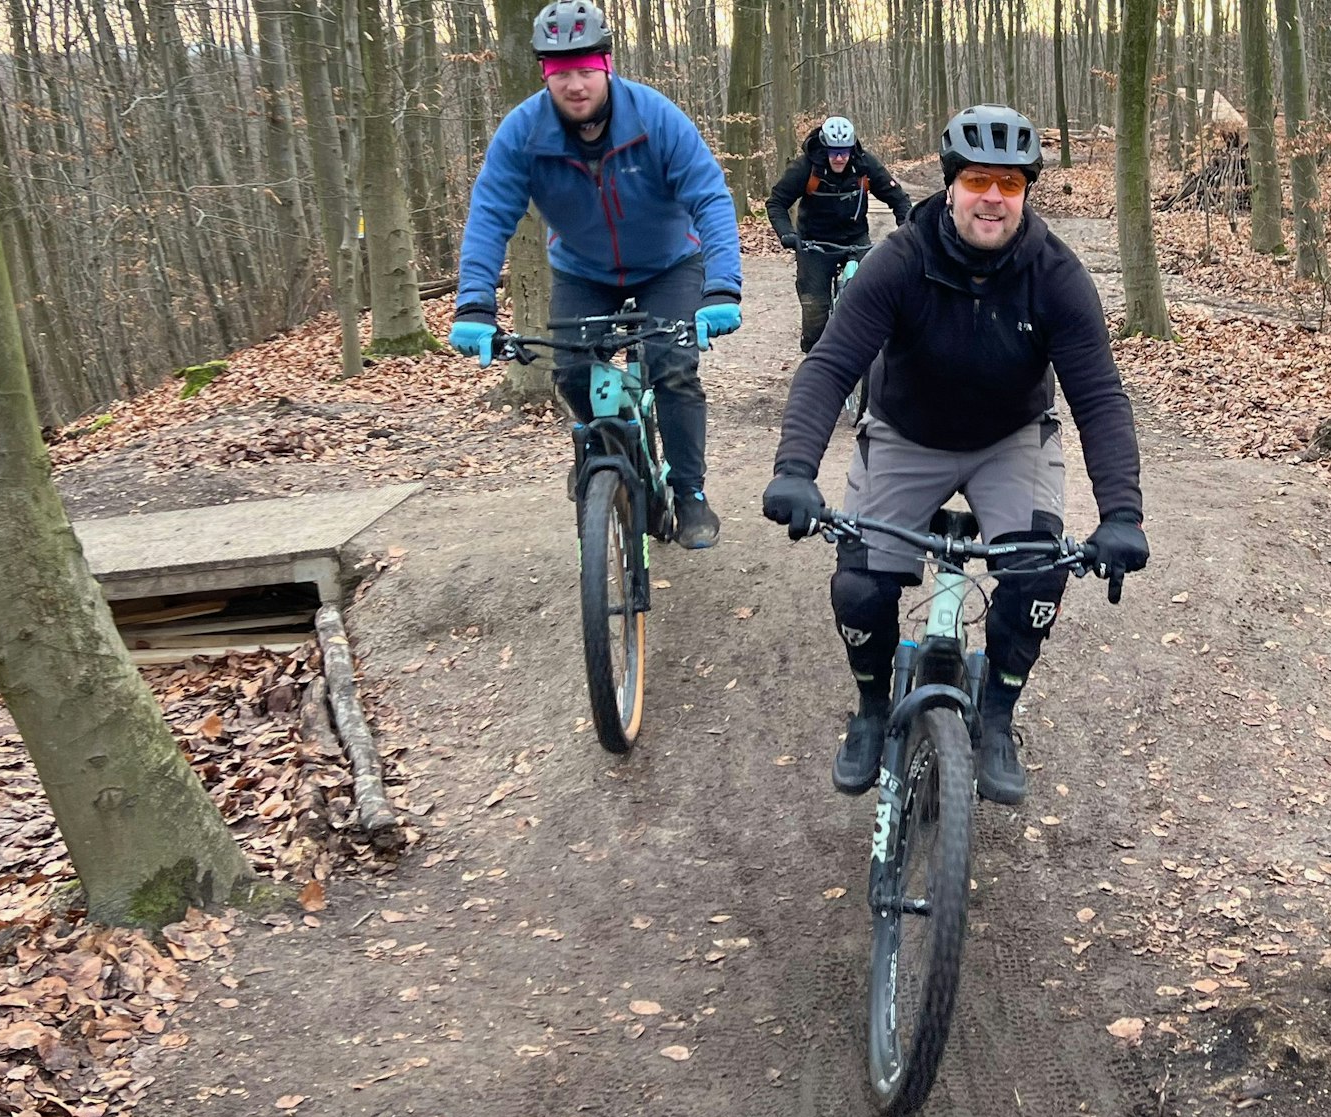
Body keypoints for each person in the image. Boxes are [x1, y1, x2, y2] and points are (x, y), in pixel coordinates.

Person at [759, 104, 1149, 805]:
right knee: (859, 583)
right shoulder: (900, 260)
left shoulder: (1055, 275)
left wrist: (1121, 513)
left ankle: (996, 714)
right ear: (949, 184)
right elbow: (829, 365)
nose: (992, 198)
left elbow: (1098, 397)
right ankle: (873, 708)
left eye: (1009, 183)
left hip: (1010, 439)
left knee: (1036, 574)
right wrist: (794, 471)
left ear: (1026, 191)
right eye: (977, 180)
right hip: (907, 434)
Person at [449, 0, 742, 549]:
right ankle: (594, 444)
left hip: (670, 264)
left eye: (586, 69)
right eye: (562, 73)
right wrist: (474, 306)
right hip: (583, 270)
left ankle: (690, 493)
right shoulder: (522, 133)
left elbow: (710, 197)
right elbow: (490, 215)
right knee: (572, 372)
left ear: (606, 65)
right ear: (546, 75)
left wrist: (721, 288)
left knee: (672, 368)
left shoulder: (655, 118)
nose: (576, 84)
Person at [766, 116, 913, 353]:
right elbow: (776, 203)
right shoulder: (805, 168)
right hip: (815, 243)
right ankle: (814, 356)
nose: (839, 158)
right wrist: (787, 234)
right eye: (833, 152)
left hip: (856, 240)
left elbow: (898, 199)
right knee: (815, 308)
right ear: (824, 148)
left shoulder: (865, 165)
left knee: (874, 294)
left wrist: (906, 229)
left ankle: (871, 351)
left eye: (844, 152)